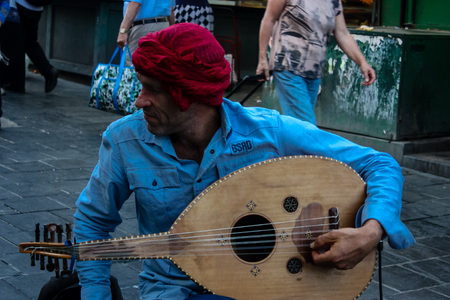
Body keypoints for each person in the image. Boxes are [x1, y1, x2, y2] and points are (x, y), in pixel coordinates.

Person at [74, 23, 415, 299]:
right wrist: (95, 294)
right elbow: (93, 221)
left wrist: (371, 232)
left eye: (152, 89)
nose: (139, 101)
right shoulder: (125, 139)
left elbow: (380, 165)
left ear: (188, 94)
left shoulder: (270, 132)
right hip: (172, 290)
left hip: (267, 288)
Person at [256, 0, 376, 125]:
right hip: (287, 66)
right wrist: (262, 58)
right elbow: (268, 20)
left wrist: (362, 63)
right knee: (306, 126)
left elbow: (342, 33)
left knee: (299, 128)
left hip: (314, 71)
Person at [7, 0, 59, 93]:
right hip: (36, 8)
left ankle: (15, 84)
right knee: (29, 42)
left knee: (15, 42)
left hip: (19, 5)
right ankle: (48, 71)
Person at [117, 0, 174, 66]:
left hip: (142, 28)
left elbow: (135, 3)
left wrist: (123, 30)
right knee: (159, 67)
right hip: (164, 26)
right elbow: (171, 9)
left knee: (134, 67)